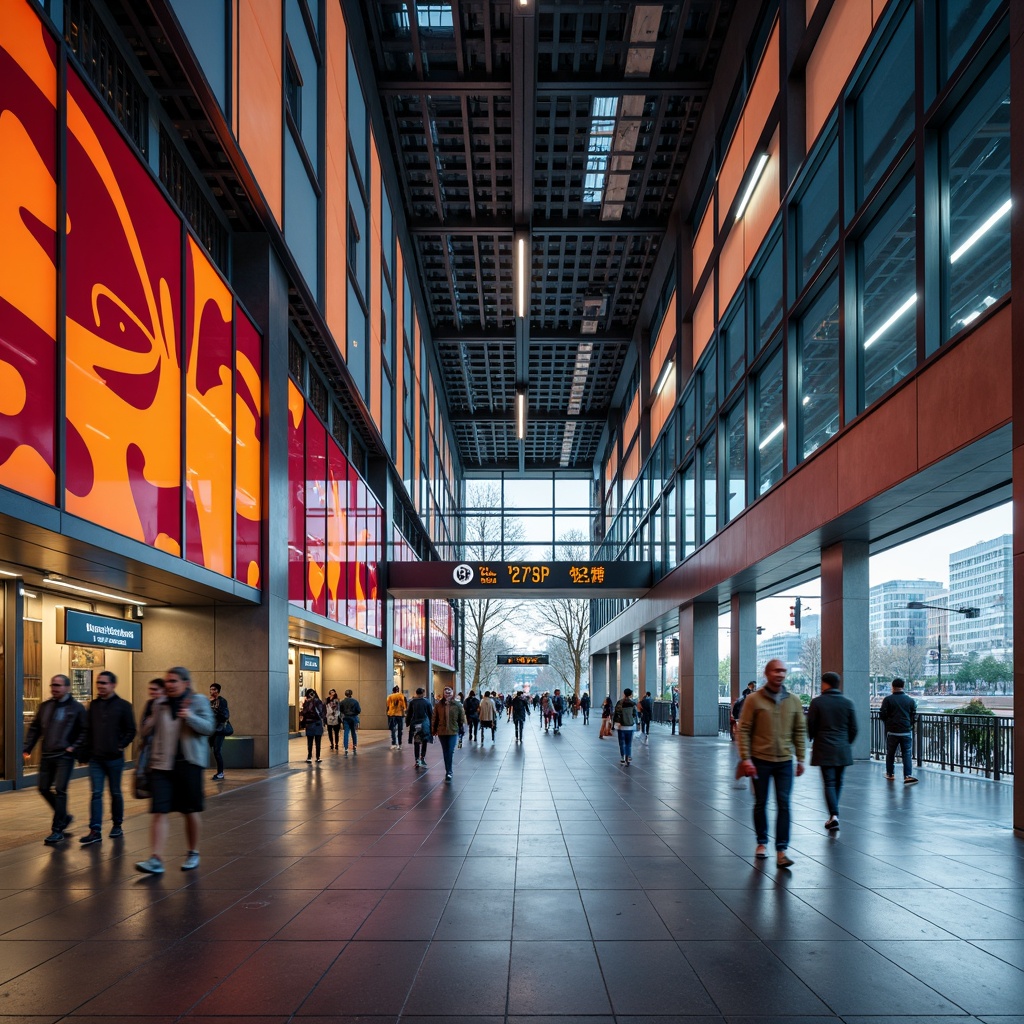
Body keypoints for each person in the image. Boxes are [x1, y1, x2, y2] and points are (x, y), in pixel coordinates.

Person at [135, 666, 215, 874]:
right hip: (162, 766)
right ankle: (155, 859)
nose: (168, 685)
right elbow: (144, 731)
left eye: (173, 681)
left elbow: (208, 728)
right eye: (167, 681)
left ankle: (193, 852)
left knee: (189, 810)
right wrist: (153, 714)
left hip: (188, 764)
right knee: (159, 811)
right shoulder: (159, 704)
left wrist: (189, 715)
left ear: (185, 683)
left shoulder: (198, 701)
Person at [737, 659, 806, 868]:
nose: (781, 674)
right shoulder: (754, 700)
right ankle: (761, 842)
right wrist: (746, 758)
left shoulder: (793, 701)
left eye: (783, 671)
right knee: (761, 803)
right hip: (760, 761)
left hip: (785, 761)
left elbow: (799, 730)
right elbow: (745, 729)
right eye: (776, 670)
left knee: (784, 804)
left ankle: (782, 850)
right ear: (767, 673)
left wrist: (801, 758)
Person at [23, 673, 87, 845]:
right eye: (52, 685)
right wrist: (28, 747)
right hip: (47, 755)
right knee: (43, 788)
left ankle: (57, 830)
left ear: (67, 687)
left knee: (60, 790)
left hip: (64, 756)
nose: (54, 688)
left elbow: (84, 730)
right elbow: (35, 728)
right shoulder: (45, 706)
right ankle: (64, 816)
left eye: (58, 685)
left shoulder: (76, 708)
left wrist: (73, 747)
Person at [79, 671, 136, 845]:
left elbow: (131, 730)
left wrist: (120, 745)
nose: (100, 686)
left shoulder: (123, 705)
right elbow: (87, 730)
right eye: (98, 683)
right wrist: (84, 752)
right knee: (96, 793)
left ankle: (117, 824)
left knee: (115, 792)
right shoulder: (93, 705)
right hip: (96, 759)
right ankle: (95, 829)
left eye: (104, 683)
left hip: (114, 759)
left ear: (113, 685)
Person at [807, 671, 858, 831]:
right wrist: (846, 742)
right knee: (838, 781)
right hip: (842, 748)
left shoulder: (817, 702)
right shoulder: (848, 702)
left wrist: (813, 738)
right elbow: (854, 728)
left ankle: (833, 814)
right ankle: (834, 814)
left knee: (829, 782)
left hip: (824, 747)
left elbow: (811, 725)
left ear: (824, 684)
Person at [880, 677, 918, 784]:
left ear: (893, 687)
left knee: (890, 753)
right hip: (906, 730)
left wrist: (888, 723)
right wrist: (909, 725)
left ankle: (890, 773)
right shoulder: (910, 700)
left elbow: (882, 714)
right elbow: (913, 715)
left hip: (892, 731)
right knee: (906, 753)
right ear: (903, 686)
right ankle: (907, 775)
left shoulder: (888, 700)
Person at [431, 686, 466, 782]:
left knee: (450, 751)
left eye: (449, 691)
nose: (447, 693)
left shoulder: (457, 705)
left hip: (453, 731)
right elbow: (434, 718)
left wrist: (461, 728)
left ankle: (449, 771)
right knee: (445, 751)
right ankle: (448, 771)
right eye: (445, 691)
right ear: (443, 693)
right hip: (442, 731)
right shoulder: (438, 705)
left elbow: (461, 718)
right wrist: (433, 730)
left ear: (453, 693)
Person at [208, 682, 230, 780]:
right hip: (211, 729)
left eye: (214, 689)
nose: (212, 691)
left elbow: (225, 715)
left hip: (219, 729)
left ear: (218, 691)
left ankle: (220, 773)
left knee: (217, 750)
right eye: (211, 689)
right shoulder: (208, 701)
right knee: (208, 748)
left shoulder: (222, 701)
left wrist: (214, 712)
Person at [406, 687, 433, 767]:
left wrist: (407, 723)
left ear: (416, 693)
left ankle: (417, 759)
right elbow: (430, 714)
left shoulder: (412, 702)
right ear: (423, 693)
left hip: (415, 724)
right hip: (425, 724)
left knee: (417, 742)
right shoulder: (427, 702)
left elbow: (409, 714)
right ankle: (422, 757)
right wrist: (432, 725)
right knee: (424, 741)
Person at [299, 688, 326, 762]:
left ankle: (309, 756)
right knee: (318, 741)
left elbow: (304, 713)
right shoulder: (319, 702)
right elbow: (323, 713)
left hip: (309, 723)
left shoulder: (306, 703)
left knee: (310, 741)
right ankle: (318, 757)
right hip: (317, 723)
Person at [613, 688, 638, 765]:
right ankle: (629, 756)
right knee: (628, 743)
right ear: (630, 695)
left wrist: (614, 723)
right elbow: (635, 714)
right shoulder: (633, 704)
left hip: (621, 726)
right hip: (630, 726)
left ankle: (623, 757)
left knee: (622, 742)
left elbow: (616, 714)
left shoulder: (619, 703)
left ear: (624, 694)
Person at [340, 689, 361, 755]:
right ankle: (354, 745)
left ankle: (346, 748)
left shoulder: (342, 702)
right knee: (353, 732)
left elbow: (341, 710)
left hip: (346, 718)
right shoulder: (355, 701)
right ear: (351, 694)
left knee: (346, 732)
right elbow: (359, 710)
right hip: (353, 718)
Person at [386, 685, 406, 750]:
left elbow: (388, 705)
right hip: (399, 715)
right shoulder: (401, 695)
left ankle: (394, 743)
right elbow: (404, 706)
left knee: (393, 729)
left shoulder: (390, 696)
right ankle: (400, 744)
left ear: (393, 690)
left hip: (392, 714)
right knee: (400, 730)